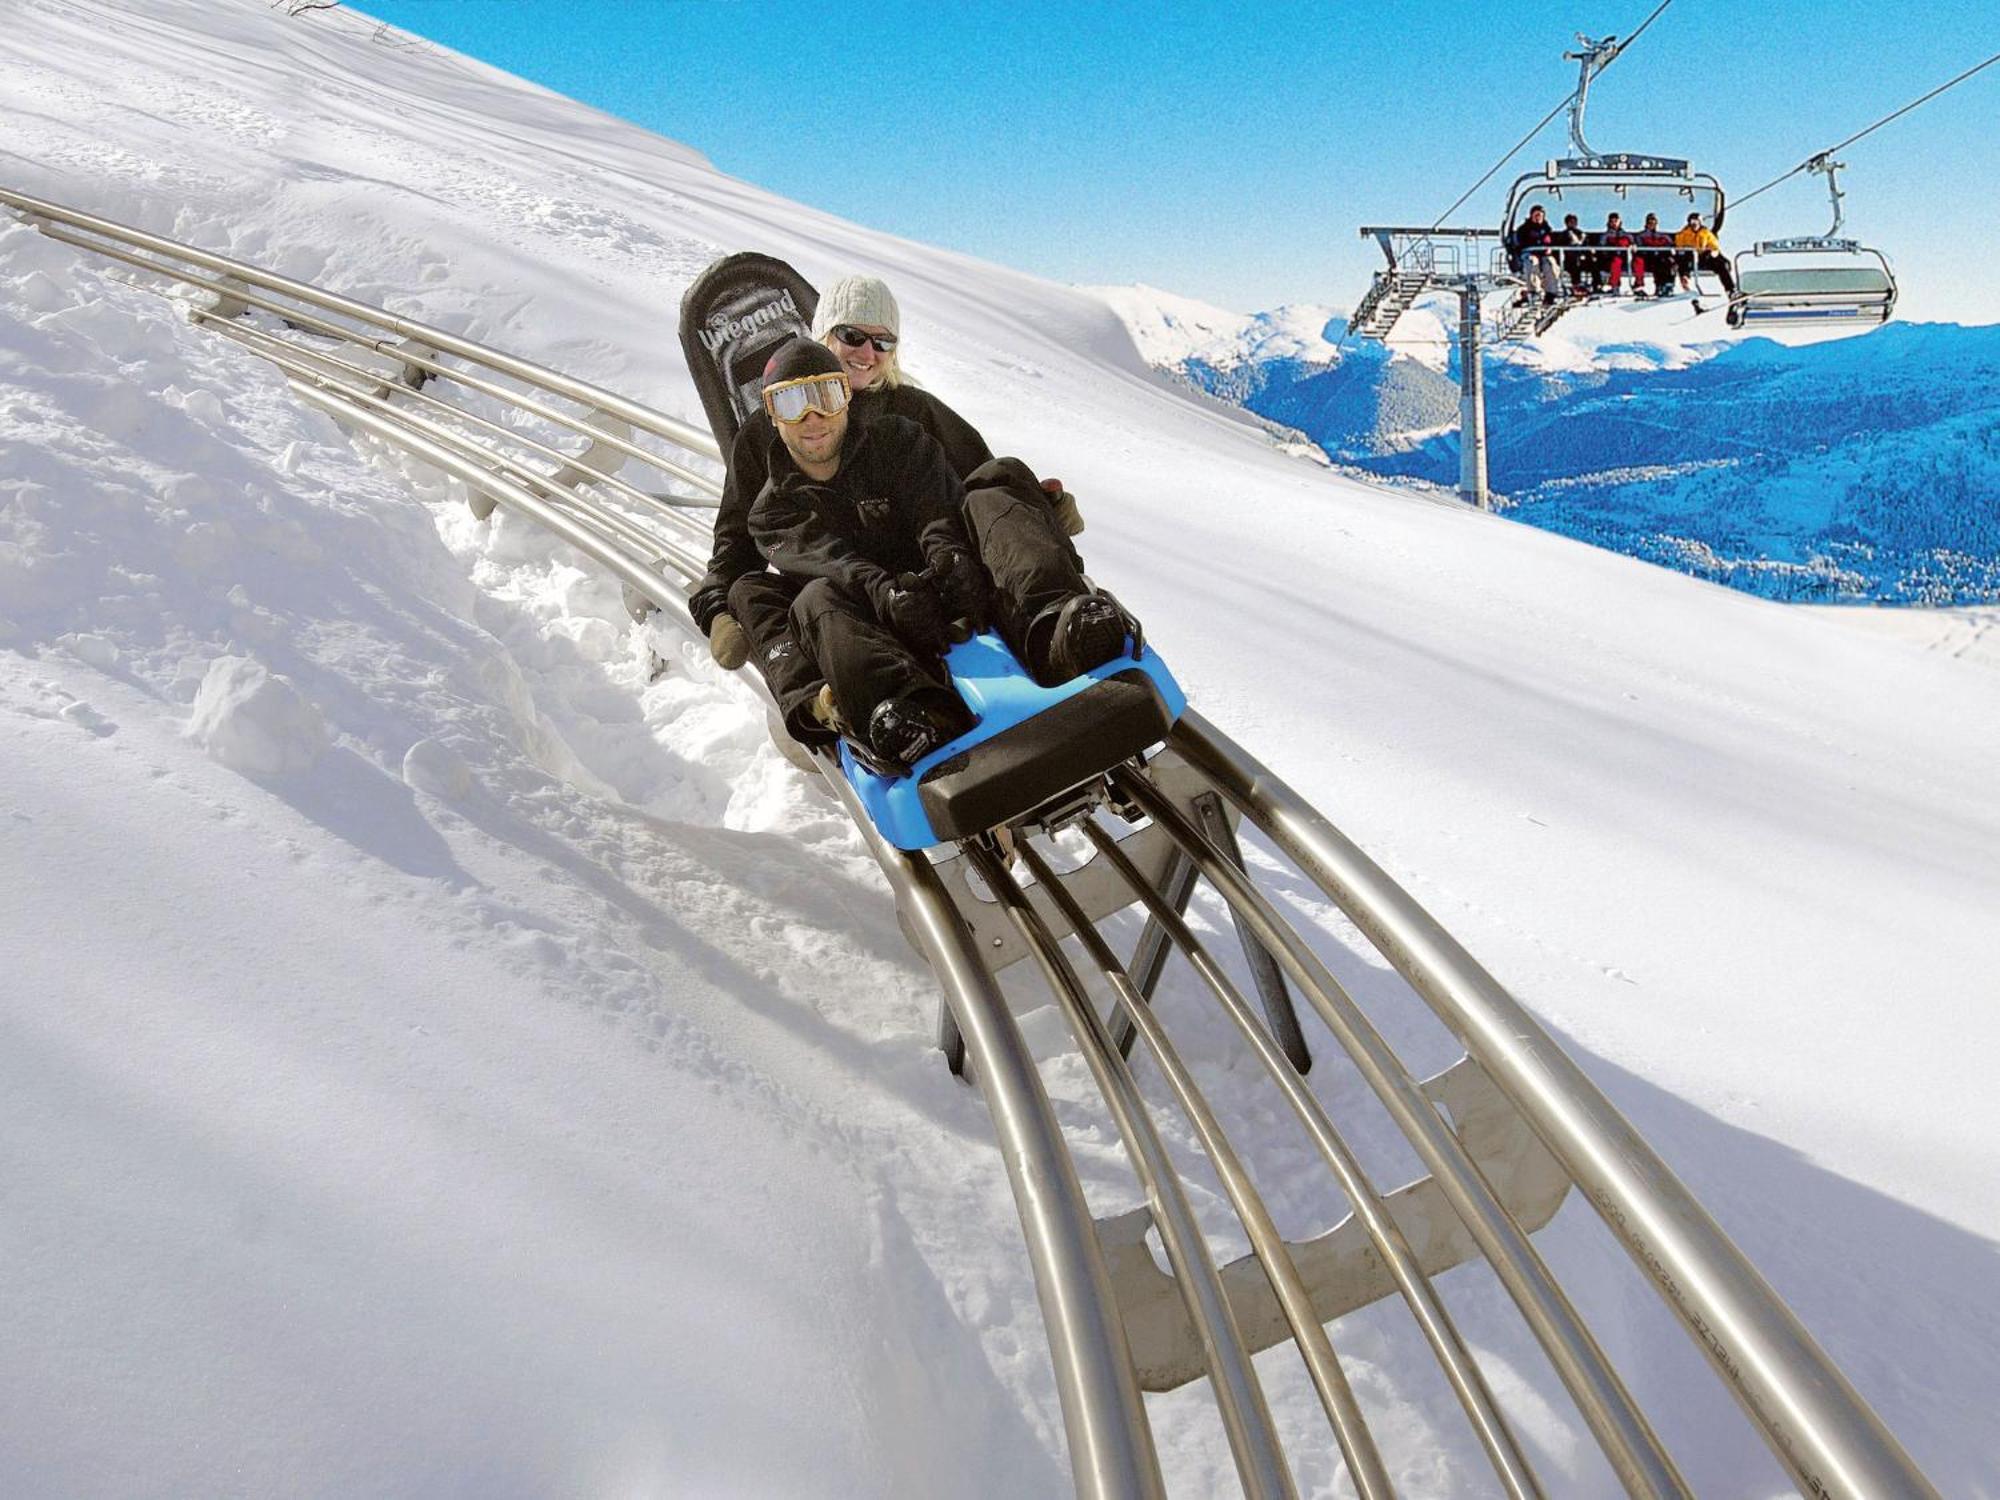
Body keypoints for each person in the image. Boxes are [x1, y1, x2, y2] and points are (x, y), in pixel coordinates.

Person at [746, 338, 1134, 771]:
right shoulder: (771, 511)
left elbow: (933, 506)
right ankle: (917, 717)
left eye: (825, 396)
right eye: (791, 403)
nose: (811, 417)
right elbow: (831, 562)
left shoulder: (898, 439)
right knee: (814, 599)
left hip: (959, 591)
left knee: (996, 481)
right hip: (876, 627)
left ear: (847, 397)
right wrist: (887, 595)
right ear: (772, 415)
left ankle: (1057, 632)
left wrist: (951, 559)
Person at [1504, 204, 1562, 304]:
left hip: (1543, 255)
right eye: (1536, 215)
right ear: (1531, 216)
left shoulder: (1547, 229)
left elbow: (1551, 242)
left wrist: (1548, 249)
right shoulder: (1524, 229)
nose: (1538, 217)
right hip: (1529, 254)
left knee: (1550, 262)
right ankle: (1534, 290)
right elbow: (1519, 244)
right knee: (1531, 262)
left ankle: (1551, 293)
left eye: (1540, 215)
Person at [1675, 212, 1737, 297]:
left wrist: (1712, 252)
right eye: (1692, 222)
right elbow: (1679, 247)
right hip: (1690, 258)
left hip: (1703, 258)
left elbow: (1714, 246)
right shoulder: (1684, 234)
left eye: (1697, 222)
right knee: (1685, 256)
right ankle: (1684, 277)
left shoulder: (1706, 233)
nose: (1694, 224)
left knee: (1721, 264)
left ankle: (1730, 289)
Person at [1634, 213, 1677, 298]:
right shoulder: (1641, 236)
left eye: (1654, 223)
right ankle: (1642, 285)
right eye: (1650, 223)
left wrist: (1672, 250)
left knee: (1668, 262)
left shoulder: (1663, 236)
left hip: (1660, 258)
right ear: (1646, 224)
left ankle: (1667, 285)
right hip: (1648, 258)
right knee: (1652, 263)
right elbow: (1639, 247)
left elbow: (1671, 245)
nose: (1652, 225)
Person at [1596, 213, 1636, 295]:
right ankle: (1614, 285)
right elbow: (1601, 248)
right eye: (1612, 221)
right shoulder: (1605, 236)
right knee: (1615, 261)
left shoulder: (1627, 235)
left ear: (1620, 222)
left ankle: (1614, 284)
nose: (1614, 223)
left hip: (1625, 259)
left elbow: (1633, 244)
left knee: (1618, 261)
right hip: (1610, 259)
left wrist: (1633, 247)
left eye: (1616, 221)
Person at [1555, 212, 1593, 295]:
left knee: (1593, 263)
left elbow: (1587, 246)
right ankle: (1576, 285)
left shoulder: (1582, 234)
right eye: (1570, 222)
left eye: (1574, 221)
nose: (1573, 223)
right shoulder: (1564, 235)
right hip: (1569, 260)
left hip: (1582, 258)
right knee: (1574, 263)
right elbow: (1559, 247)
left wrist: (1590, 253)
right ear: (1567, 223)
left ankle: (1596, 285)